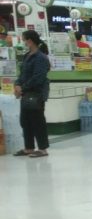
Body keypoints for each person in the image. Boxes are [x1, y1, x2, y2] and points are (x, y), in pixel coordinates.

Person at [13, 30, 51, 158]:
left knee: (37, 121)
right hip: (26, 93)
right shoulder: (27, 56)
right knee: (25, 121)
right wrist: (17, 84)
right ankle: (28, 147)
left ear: (29, 41)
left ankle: (42, 149)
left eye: (24, 40)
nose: (23, 42)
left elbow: (38, 77)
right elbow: (22, 73)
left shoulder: (41, 58)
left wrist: (22, 88)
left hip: (36, 93)